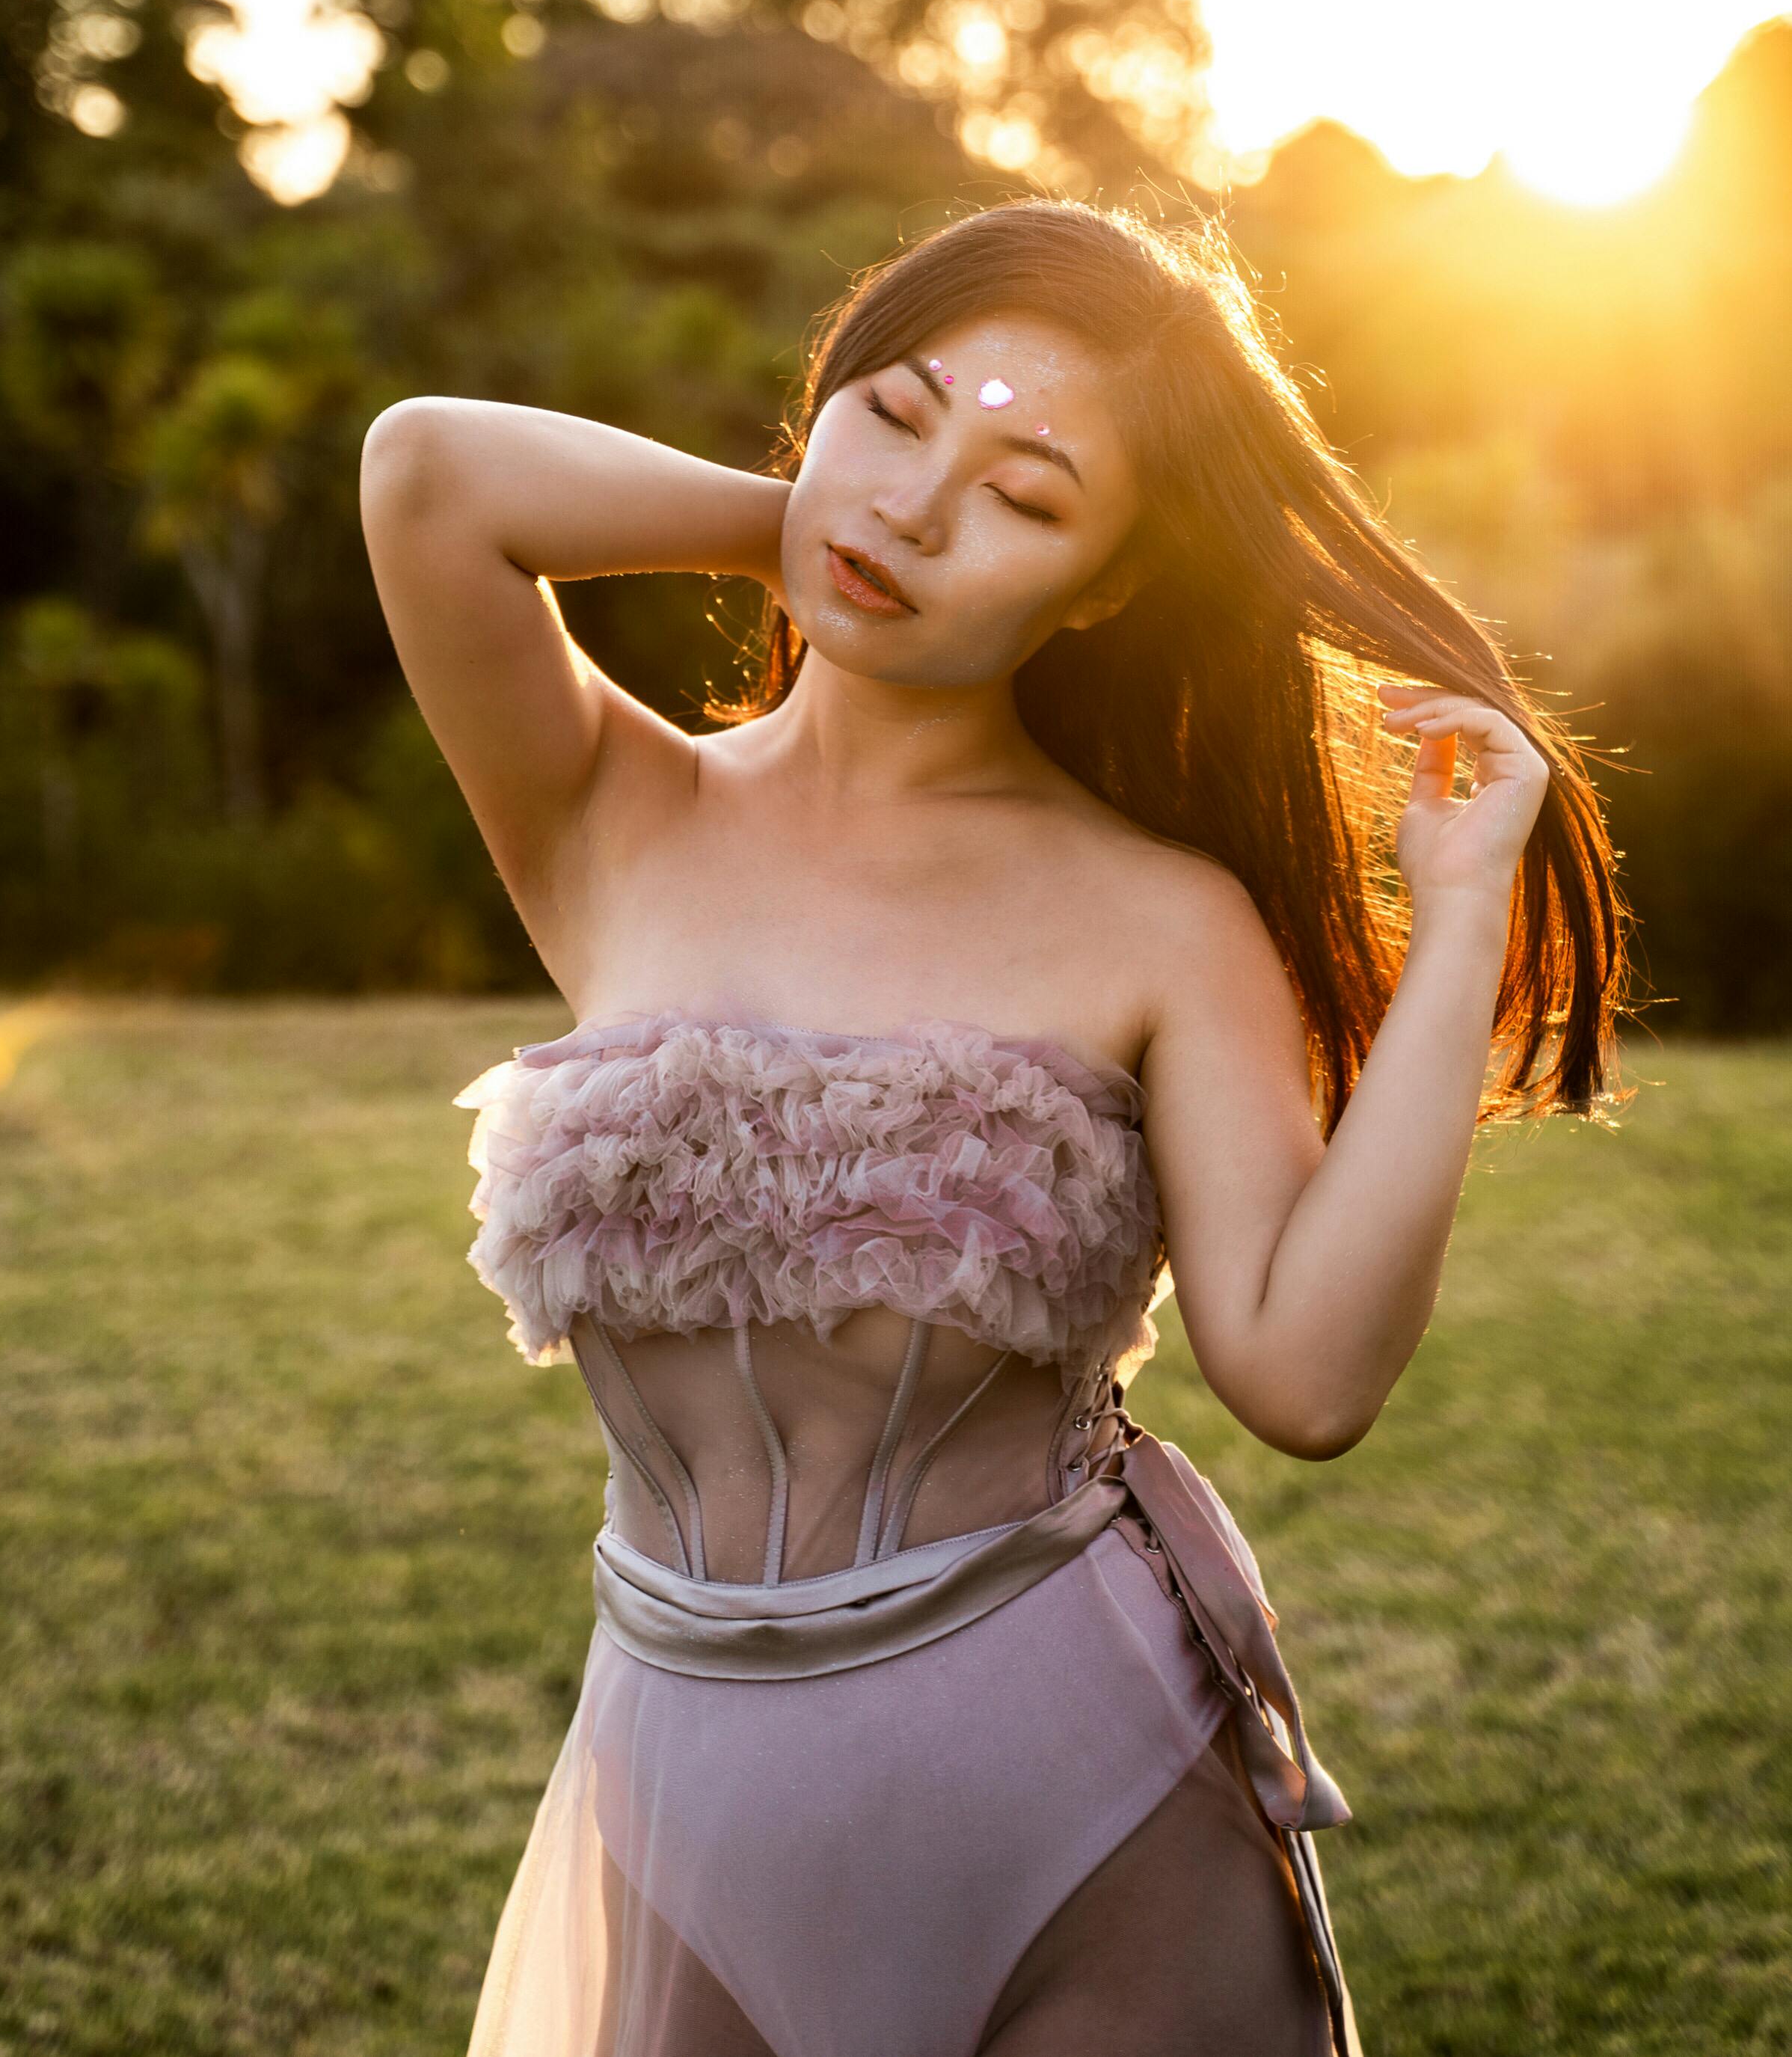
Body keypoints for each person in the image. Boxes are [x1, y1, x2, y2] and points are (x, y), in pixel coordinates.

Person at [359, 197, 1631, 2057]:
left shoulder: (1163, 917)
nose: (923, 506)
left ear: (1105, 583)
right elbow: (428, 474)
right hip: (677, 1788)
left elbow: (1306, 1374)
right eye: (893, 410)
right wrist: (817, 514)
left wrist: (1456, 922)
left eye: (1029, 496)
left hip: (1080, 1800)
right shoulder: (610, 808)